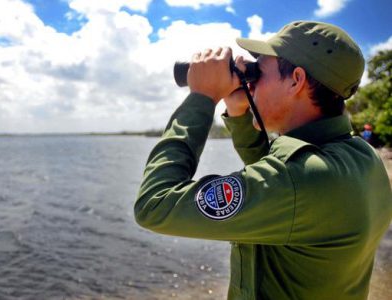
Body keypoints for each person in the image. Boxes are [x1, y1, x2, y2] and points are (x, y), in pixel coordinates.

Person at [134, 20, 392, 299]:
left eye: (261, 71)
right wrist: (239, 111)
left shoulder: (303, 180)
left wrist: (202, 98)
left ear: (296, 79)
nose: (252, 81)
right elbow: (277, 178)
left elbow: (155, 205)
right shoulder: (361, 156)